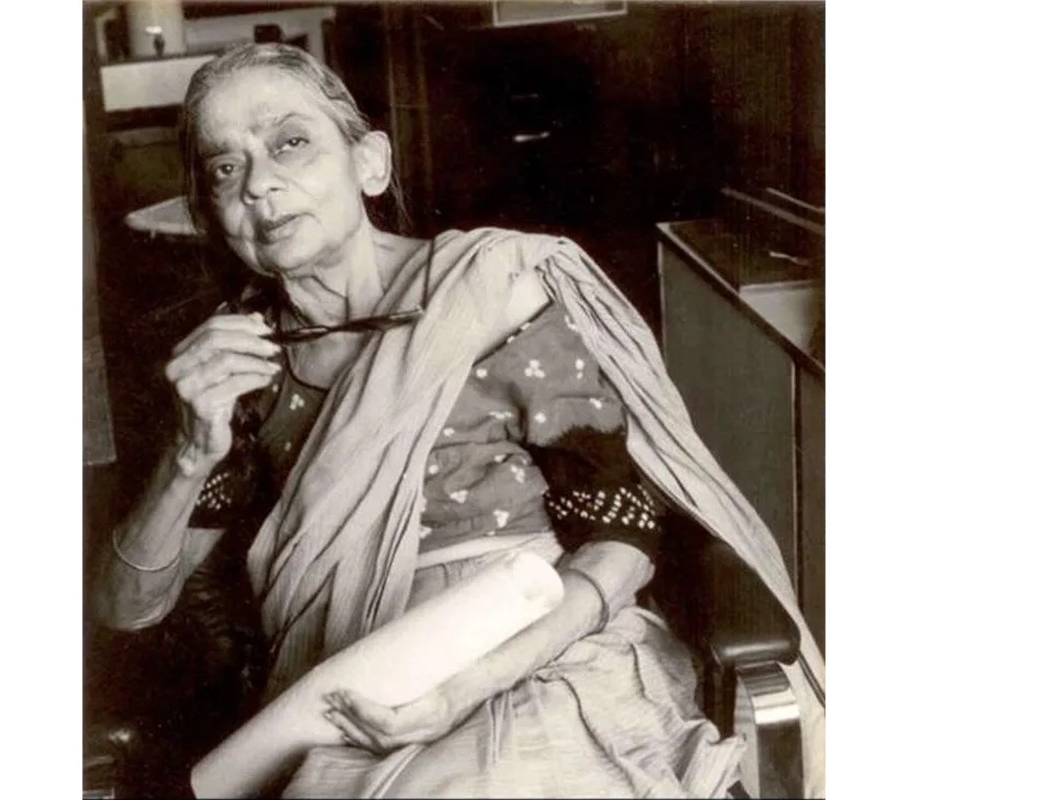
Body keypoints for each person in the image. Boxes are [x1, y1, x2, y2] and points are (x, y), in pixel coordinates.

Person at [92, 42, 825, 798]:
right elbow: (127, 609)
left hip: (543, 652)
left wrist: (465, 689)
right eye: (225, 167)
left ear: (369, 164)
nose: (258, 184)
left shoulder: (492, 295)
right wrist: (188, 453)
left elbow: (624, 545)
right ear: (212, 214)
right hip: (352, 683)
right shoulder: (239, 364)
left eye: (290, 143)